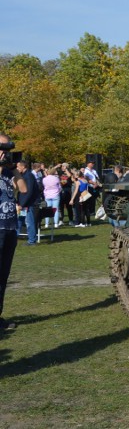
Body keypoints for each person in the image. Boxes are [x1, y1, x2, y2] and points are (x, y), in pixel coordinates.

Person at [0, 135, 26, 330]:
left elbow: (23, 189)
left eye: (6, 150)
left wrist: (14, 171)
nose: (4, 153)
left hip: (10, 227)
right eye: (1, 149)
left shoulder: (9, 174)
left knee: (3, 275)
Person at [17, 161, 41, 246]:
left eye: (18, 166)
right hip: (24, 203)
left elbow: (29, 192)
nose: (17, 168)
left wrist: (22, 204)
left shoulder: (29, 176)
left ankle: (32, 241)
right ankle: (14, 238)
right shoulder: (24, 175)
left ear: (23, 166)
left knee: (29, 222)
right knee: (19, 221)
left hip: (29, 203)